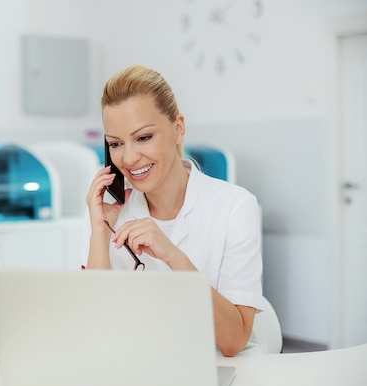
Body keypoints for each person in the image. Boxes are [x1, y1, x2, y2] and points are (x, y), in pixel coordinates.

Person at [82, 65, 264, 357]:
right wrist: (99, 234)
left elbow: (234, 340)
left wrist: (172, 255)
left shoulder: (234, 206)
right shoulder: (109, 213)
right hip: (135, 370)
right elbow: (95, 329)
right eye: (116, 143)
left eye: (143, 138)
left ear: (178, 129)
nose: (128, 158)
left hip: (214, 370)